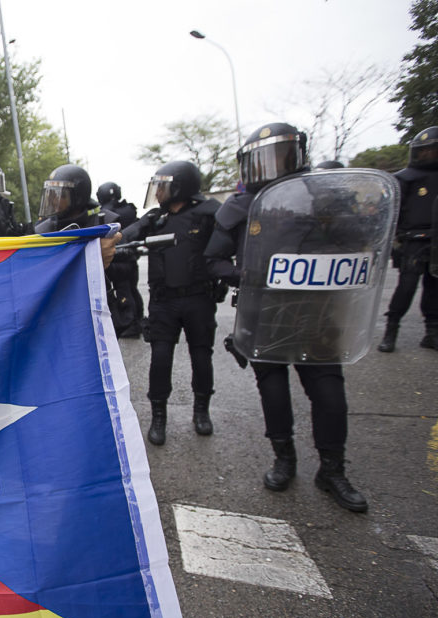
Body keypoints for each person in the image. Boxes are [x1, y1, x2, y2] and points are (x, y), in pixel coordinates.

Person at [205, 122, 368, 512]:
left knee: (329, 393)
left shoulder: (323, 197)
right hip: (266, 313)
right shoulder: (240, 206)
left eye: (277, 156)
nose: (268, 167)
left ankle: (332, 469)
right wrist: (247, 276)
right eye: (260, 159)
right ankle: (284, 458)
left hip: (317, 313)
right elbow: (213, 259)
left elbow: (357, 243)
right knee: (273, 390)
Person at [122, 161, 221, 445]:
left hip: (198, 299)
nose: (160, 193)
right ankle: (158, 416)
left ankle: (201, 410)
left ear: (182, 187)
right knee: (160, 358)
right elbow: (129, 233)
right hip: (163, 301)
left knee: (202, 356)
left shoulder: (208, 213)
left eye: (164, 187)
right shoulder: (156, 219)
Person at [377, 126, 437, 352]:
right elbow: (390, 211)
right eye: (425, 151)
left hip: (436, 239)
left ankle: (432, 331)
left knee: (434, 287)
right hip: (412, 240)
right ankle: (391, 329)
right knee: (407, 286)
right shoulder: (404, 179)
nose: (428, 155)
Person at [98, 181, 143, 338]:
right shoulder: (129, 210)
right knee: (132, 289)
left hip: (118, 258)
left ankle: (130, 323)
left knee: (124, 290)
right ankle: (137, 320)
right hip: (130, 257)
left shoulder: (107, 214)